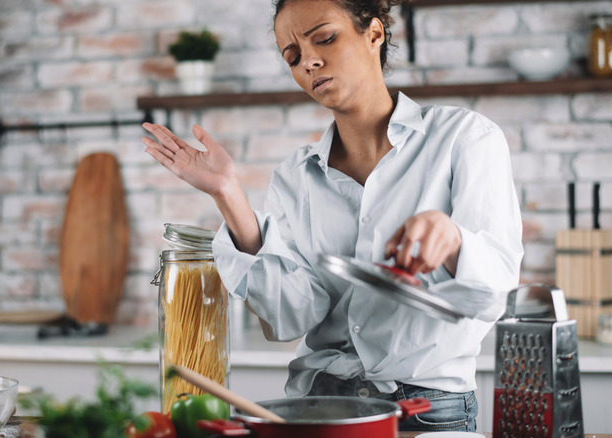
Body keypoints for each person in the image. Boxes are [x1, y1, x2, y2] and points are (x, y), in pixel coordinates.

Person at [142, 0, 523, 432]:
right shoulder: (294, 176)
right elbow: (290, 317)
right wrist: (228, 194)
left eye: (324, 38)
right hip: (316, 406)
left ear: (374, 34)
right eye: (293, 56)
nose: (310, 61)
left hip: (426, 412)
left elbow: (495, 294)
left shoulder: (465, 139)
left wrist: (452, 240)